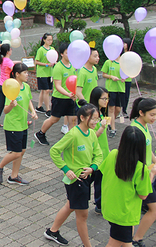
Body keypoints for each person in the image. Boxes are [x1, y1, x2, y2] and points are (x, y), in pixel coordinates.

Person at [44, 104, 103, 247]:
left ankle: (52, 231)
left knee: (71, 205)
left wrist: (92, 168)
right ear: (82, 118)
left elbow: (99, 154)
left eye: (97, 119)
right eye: (93, 119)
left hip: (86, 177)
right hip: (76, 180)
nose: (96, 122)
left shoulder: (91, 133)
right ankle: (87, 245)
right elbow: (54, 151)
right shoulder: (73, 134)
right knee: (82, 215)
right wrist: (65, 169)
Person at [101, 126, 153, 247]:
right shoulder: (141, 169)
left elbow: (104, 171)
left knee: (126, 241)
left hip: (110, 207)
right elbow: (143, 195)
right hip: (125, 214)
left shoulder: (113, 154)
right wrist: (152, 174)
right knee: (115, 243)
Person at [0, 63, 38, 185]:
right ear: (17, 74)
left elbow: (28, 100)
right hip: (13, 125)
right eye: (25, 73)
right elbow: (5, 110)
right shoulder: (12, 87)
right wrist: (11, 106)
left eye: (27, 72)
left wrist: (33, 111)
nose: (27, 75)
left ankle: (14, 176)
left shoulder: (26, 87)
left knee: (22, 151)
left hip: (23, 124)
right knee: (16, 152)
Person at [35, 42, 77, 146]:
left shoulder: (73, 66)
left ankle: (72, 141)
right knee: (55, 119)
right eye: (67, 53)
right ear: (62, 54)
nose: (70, 55)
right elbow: (57, 86)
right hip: (60, 98)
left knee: (73, 119)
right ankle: (41, 133)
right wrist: (68, 94)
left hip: (71, 98)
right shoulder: (58, 67)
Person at [129, 97, 156, 247]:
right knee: (136, 211)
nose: (154, 118)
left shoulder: (144, 126)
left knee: (149, 209)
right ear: (141, 112)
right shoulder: (135, 130)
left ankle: (135, 239)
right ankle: (130, 240)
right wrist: (150, 172)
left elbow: (148, 148)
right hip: (141, 177)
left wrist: (154, 160)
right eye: (152, 114)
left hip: (147, 174)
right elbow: (133, 158)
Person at [88, 87, 110, 214]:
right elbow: (91, 137)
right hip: (96, 154)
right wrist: (102, 128)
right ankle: (99, 204)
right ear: (97, 98)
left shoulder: (101, 112)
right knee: (97, 179)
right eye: (104, 98)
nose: (106, 101)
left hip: (103, 152)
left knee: (100, 179)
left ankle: (99, 202)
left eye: (107, 98)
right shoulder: (93, 115)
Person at [0, 44, 16, 127]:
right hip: (7, 86)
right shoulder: (8, 61)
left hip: (1, 84)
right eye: (10, 49)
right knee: (12, 104)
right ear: (8, 51)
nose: (12, 50)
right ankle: (16, 121)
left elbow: (12, 63)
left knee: (1, 104)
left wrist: (19, 61)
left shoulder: (3, 59)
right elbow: (14, 69)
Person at [101, 55, 125, 138]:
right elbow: (104, 74)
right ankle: (113, 129)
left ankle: (108, 123)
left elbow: (128, 73)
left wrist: (124, 78)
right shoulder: (108, 62)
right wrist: (111, 77)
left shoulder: (123, 62)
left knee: (118, 109)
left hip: (121, 89)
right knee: (111, 108)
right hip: (110, 88)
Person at [35, 33, 55, 115]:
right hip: (42, 73)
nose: (50, 41)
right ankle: (48, 109)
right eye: (48, 40)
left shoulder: (52, 49)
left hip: (50, 73)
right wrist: (46, 64)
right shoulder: (41, 50)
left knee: (44, 91)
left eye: (51, 40)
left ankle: (39, 106)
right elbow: (36, 61)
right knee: (46, 91)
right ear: (44, 40)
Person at [122, 38, 133, 118]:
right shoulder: (119, 54)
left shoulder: (131, 55)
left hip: (127, 79)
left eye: (125, 43)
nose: (123, 45)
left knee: (126, 96)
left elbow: (132, 68)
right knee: (120, 96)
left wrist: (126, 77)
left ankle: (124, 110)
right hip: (120, 79)